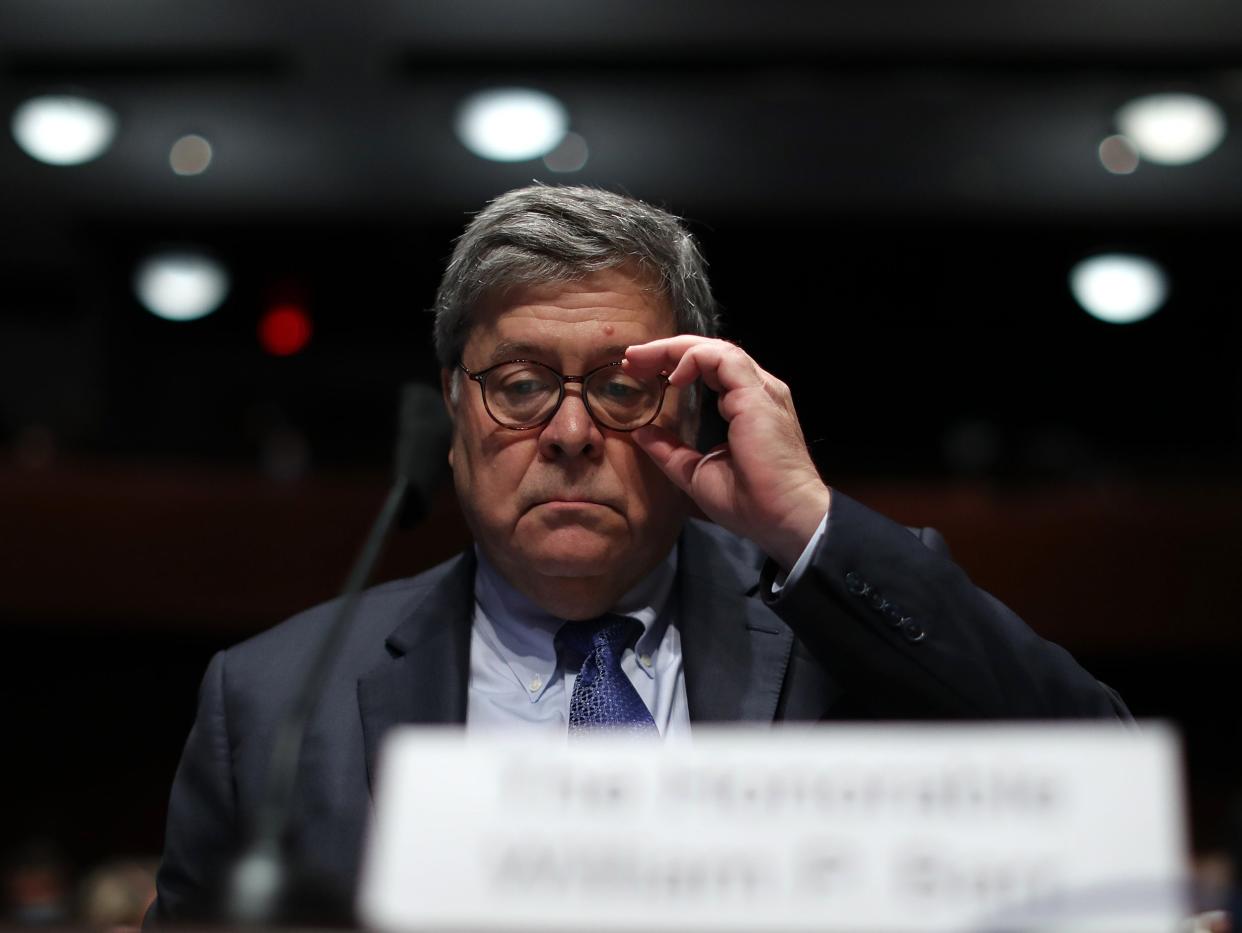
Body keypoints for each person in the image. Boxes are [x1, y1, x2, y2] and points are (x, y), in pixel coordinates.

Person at [148, 184, 1129, 923]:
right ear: (453, 411)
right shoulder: (272, 703)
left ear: (694, 405)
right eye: (522, 384)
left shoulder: (842, 628)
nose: (571, 433)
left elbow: (1107, 791)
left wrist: (803, 523)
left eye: (622, 388)